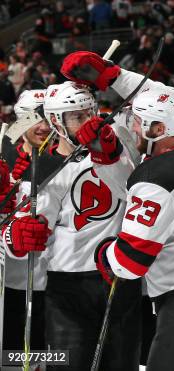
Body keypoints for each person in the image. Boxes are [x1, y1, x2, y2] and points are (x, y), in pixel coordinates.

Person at [60, 51, 174, 371]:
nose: (132, 123)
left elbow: (130, 262)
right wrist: (111, 77)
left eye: (138, 119)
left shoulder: (155, 178)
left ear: (156, 129)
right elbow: (167, 97)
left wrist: (103, 252)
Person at [1, 81, 141, 371]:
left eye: (90, 112)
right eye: (77, 117)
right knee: (67, 364)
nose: (88, 122)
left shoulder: (118, 148)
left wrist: (107, 152)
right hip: (67, 288)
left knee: (121, 363)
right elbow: (30, 224)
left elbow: (129, 192)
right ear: (56, 121)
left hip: (119, 281)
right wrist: (18, 235)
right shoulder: (45, 167)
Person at [0, 89, 65, 371]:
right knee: (13, 362)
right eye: (33, 119)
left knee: (49, 362)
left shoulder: (68, 157)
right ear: (19, 121)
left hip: (56, 284)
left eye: (47, 118)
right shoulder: (5, 155)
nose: (42, 127)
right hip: (13, 285)